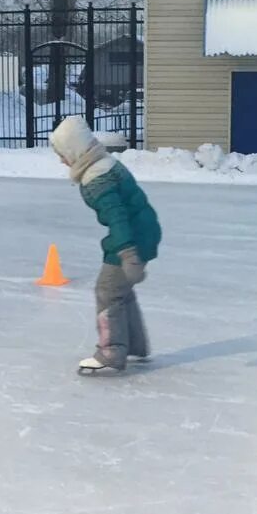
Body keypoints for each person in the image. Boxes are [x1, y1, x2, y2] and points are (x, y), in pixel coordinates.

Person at [50, 116, 162, 375]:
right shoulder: (105, 163)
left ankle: (111, 351)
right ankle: (134, 345)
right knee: (120, 291)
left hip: (131, 237)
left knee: (108, 291)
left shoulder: (97, 178)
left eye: (62, 155)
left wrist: (129, 255)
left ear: (75, 151)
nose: (61, 161)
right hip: (143, 229)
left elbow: (117, 217)